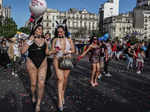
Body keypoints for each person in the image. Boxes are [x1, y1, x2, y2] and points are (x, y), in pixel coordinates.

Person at [21, 24, 56, 112]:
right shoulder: (29, 40)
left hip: (43, 64)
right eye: (37, 29)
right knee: (33, 84)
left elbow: (47, 52)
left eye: (40, 29)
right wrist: (29, 41)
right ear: (34, 30)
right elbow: (22, 51)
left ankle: (38, 104)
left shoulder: (45, 40)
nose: (39, 31)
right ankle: (33, 95)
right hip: (31, 63)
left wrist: (53, 51)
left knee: (41, 84)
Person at [51, 21, 75, 111]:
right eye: (58, 32)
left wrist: (68, 52)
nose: (59, 33)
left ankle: (62, 94)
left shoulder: (69, 40)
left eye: (61, 31)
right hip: (57, 59)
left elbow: (73, 50)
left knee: (65, 80)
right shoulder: (54, 40)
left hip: (67, 60)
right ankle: (60, 101)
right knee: (60, 79)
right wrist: (55, 50)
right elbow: (52, 50)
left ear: (64, 31)